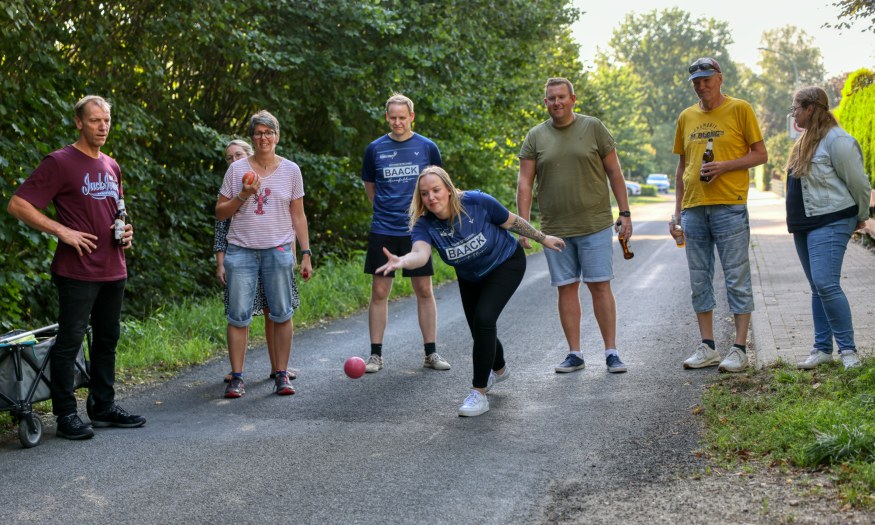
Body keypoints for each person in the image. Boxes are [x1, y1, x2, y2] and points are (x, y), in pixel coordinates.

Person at [7, 95, 146, 440]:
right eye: (95, 120)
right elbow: (18, 204)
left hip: (113, 267)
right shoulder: (60, 161)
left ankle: (102, 407)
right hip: (77, 270)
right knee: (70, 341)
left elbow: (116, 211)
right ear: (79, 122)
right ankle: (66, 415)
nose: (102, 127)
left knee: (107, 339)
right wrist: (62, 231)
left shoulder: (112, 165)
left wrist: (126, 231)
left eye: (107, 120)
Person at [377, 166, 565, 416]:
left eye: (436, 190)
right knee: (479, 329)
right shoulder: (425, 224)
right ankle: (499, 369)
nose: (431, 197)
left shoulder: (476, 202)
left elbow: (512, 221)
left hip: (505, 263)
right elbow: (420, 254)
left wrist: (542, 238)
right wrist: (403, 261)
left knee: (484, 319)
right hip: (470, 276)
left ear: (448, 189)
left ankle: (479, 392)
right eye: (424, 193)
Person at [517, 77, 632, 375]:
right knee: (566, 289)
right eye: (551, 98)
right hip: (554, 230)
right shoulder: (535, 136)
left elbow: (615, 172)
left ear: (573, 99)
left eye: (562, 97)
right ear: (545, 102)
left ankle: (611, 352)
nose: (557, 102)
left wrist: (625, 213)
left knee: (600, 286)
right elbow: (525, 182)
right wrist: (524, 227)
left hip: (595, 224)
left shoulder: (593, 127)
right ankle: (575, 354)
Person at [670, 57, 768, 372]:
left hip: (729, 206)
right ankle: (708, 347)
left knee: (736, 278)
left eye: (706, 79)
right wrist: (677, 212)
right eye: (696, 82)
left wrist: (725, 166)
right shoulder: (686, 117)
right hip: (694, 209)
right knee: (699, 279)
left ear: (720, 78)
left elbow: (760, 154)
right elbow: (682, 167)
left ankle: (739, 349)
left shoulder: (740, 109)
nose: (701, 86)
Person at [215, 110, 312, 398]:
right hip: (241, 251)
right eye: (258, 133)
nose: (263, 137)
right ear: (252, 138)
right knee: (238, 316)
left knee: (281, 313)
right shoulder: (236, 170)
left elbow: (298, 215)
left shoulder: (291, 170)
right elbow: (220, 213)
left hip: (278, 250)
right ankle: (237, 377)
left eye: (269, 132)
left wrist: (305, 252)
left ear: (277, 136)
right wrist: (243, 195)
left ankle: (281, 374)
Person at [361, 93, 449, 373]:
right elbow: (371, 188)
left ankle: (431, 353)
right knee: (379, 291)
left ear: (411, 116)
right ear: (386, 117)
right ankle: (375, 356)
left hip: (417, 229)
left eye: (402, 117)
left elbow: (438, 186)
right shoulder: (374, 149)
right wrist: (385, 210)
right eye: (393, 117)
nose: (397, 122)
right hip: (383, 229)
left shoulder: (427, 147)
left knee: (424, 289)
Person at [785, 87, 870, 370]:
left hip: (831, 219)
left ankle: (848, 351)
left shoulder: (838, 140)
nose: (793, 114)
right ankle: (822, 349)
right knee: (817, 286)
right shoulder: (806, 140)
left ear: (810, 108)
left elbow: (859, 184)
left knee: (825, 283)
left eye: (796, 108)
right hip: (805, 222)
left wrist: (860, 215)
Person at [214, 139, 294, 383]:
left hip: (273, 253)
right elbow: (220, 227)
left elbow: (289, 217)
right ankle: (237, 372)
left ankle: (278, 368)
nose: (234, 160)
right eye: (229, 157)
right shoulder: (231, 183)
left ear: (249, 155)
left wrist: (294, 251)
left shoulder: (276, 175)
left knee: (275, 311)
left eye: (238, 155)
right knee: (240, 313)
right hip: (241, 254)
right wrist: (220, 262)